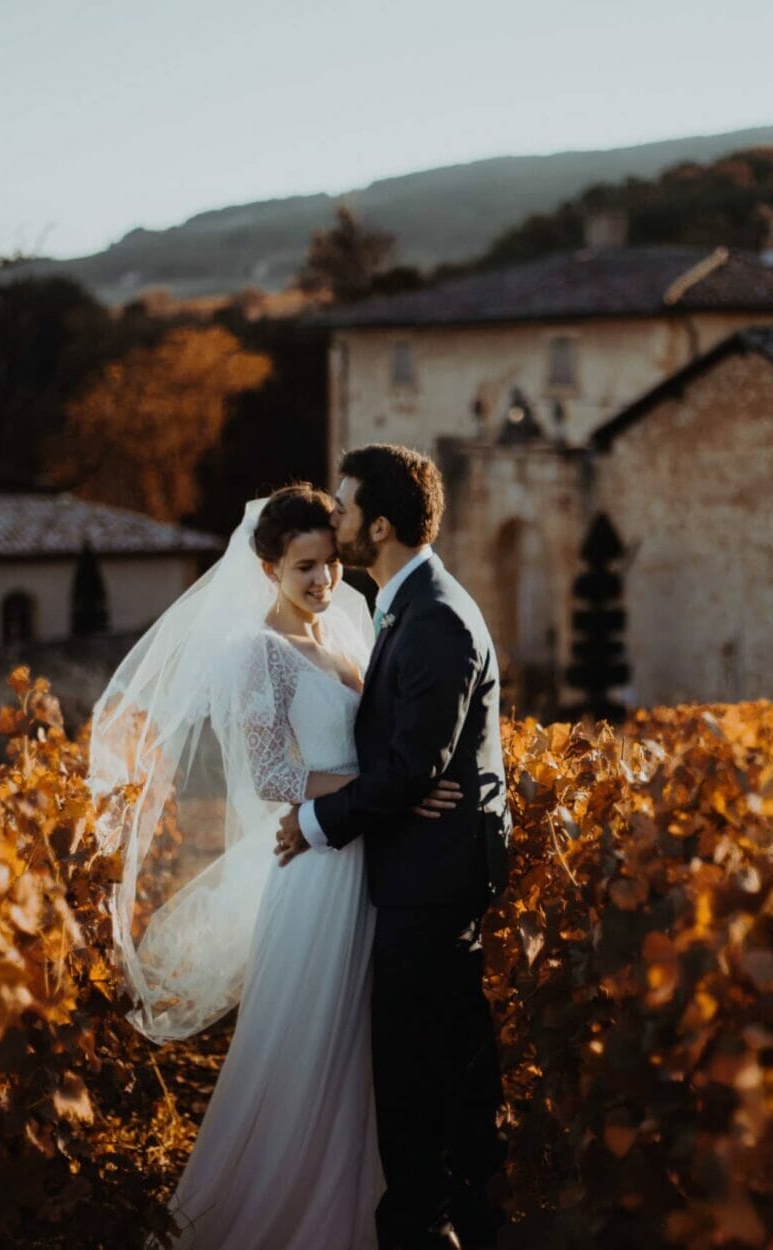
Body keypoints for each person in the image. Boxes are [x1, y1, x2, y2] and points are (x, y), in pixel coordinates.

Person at [87, 483, 463, 1250]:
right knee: (310, 1036)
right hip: (318, 867)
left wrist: (393, 791)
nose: (323, 582)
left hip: (366, 858)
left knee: (364, 1043)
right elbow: (274, 777)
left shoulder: (346, 639)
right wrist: (390, 791)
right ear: (268, 571)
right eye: (304, 569)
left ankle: (368, 1204)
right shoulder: (257, 653)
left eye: (329, 565)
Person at [275, 444, 510, 1250]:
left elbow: (417, 764)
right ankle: (446, 1209)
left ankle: (423, 1222)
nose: (332, 518)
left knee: (419, 1065)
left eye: (343, 508)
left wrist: (316, 823)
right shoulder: (403, 605)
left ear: (379, 524)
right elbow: (410, 759)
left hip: (433, 875)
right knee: (436, 1054)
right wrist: (409, 777)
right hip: (421, 862)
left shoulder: (435, 616)